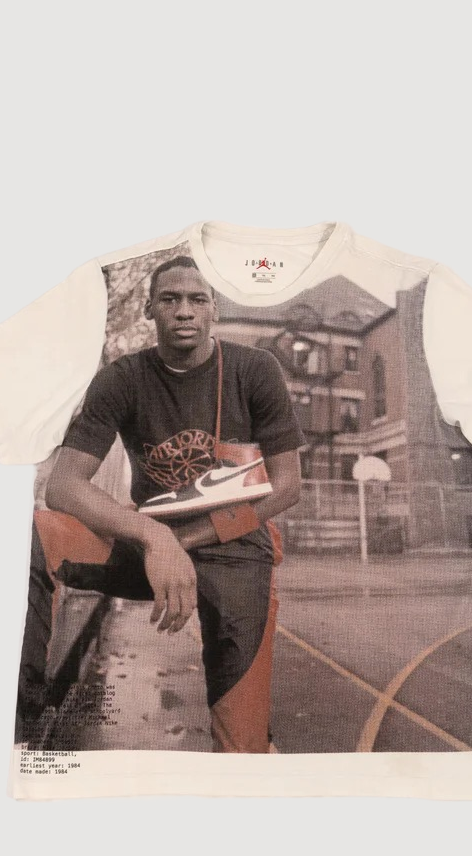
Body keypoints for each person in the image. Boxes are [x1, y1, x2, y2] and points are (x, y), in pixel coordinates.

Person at [44, 255, 305, 752]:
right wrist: (154, 537)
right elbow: (64, 486)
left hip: (233, 549)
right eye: (170, 299)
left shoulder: (254, 369)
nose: (184, 310)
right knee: (39, 536)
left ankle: (247, 754)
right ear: (149, 309)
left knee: (242, 743)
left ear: (214, 310)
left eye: (197, 299)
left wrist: (180, 541)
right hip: (148, 544)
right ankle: (19, 714)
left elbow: (287, 485)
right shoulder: (123, 378)